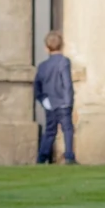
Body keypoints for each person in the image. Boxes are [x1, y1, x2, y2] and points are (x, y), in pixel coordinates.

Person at [33, 32, 75, 164]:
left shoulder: (42, 66)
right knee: (67, 129)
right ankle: (68, 156)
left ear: (46, 48)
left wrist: (43, 100)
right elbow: (67, 83)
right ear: (62, 45)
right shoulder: (64, 61)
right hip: (63, 102)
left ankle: (42, 157)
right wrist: (69, 102)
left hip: (50, 103)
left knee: (50, 131)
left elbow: (37, 86)